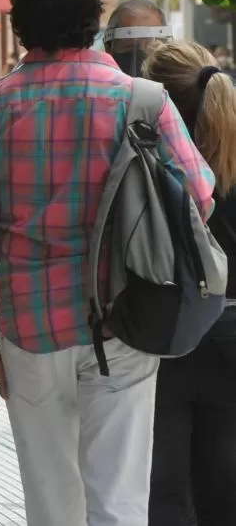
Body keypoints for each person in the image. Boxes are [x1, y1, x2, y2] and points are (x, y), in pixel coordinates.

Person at [0, 0, 215, 526]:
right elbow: (200, 194)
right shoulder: (141, 100)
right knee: (118, 499)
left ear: (18, 27)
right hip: (125, 317)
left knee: (50, 501)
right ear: (94, 18)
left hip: (30, 328)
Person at [143, 41, 236, 526]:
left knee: (163, 489)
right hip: (232, 332)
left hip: (167, 329)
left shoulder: (151, 160)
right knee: (224, 486)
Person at [103, 0, 173, 77]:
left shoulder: (178, 84)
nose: (143, 53)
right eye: (131, 46)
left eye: (152, 46)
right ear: (108, 48)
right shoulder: (97, 87)